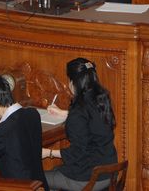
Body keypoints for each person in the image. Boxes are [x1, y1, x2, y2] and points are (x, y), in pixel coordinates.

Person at [42, 58, 118, 191]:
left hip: (89, 178)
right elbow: (92, 121)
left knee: (36, 179)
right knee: (55, 171)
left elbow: (76, 153)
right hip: (109, 171)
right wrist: (64, 113)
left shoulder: (79, 111)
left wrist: (49, 152)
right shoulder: (101, 99)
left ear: (73, 82)